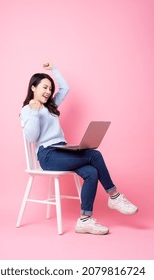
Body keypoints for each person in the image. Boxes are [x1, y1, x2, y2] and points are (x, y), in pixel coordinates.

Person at [20, 62, 138, 235]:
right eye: (44, 87)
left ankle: (85, 220)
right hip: (47, 155)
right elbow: (31, 137)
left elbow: (65, 89)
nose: (48, 91)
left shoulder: (50, 106)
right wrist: (35, 112)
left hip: (62, 150)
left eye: (50, 88)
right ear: (33, 87)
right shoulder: (28, 109)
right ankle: (114, 196)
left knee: (91, 172)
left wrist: (53, 70)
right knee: (94, 155)